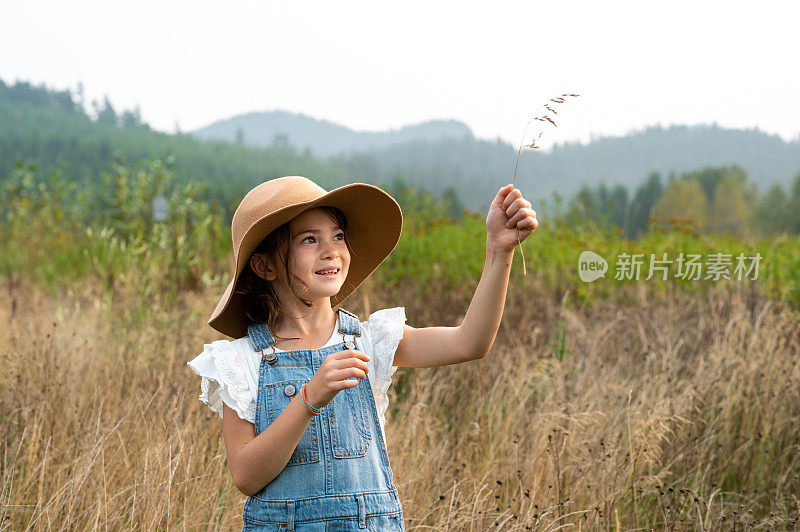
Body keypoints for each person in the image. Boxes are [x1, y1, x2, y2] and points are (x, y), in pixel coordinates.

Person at [188, 176, 538, 531]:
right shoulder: (242, 360)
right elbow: (246, 476)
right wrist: (308, 399)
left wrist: (499, 249)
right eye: (309, 239)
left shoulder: (371, 340)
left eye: (338, 236)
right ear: (266, 266)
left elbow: (470, 342)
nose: (331, 249)